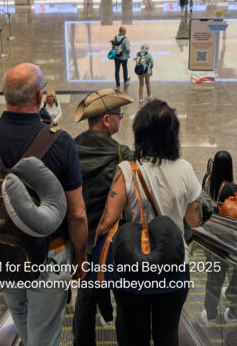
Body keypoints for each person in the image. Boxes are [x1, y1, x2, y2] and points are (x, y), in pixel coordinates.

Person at [0, 63, 88, 346]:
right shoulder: (60, 142)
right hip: (49, 255)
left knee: (22, 317)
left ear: (5, 96)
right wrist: (80, 257)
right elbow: (77, 213)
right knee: (44, 337)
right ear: (40, 97)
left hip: (0, 250)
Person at [96, 100, 202, 346]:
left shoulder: (126, 169)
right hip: (173, 267)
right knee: (167, 334)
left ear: (139, 133)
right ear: (173, 134)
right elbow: (194, 221)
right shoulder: (185, 169)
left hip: (133, 265)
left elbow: (107, 221)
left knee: (133, 335)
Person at [72, 88, 134, 346]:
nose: (121, 119)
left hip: (79, 239)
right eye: (118, 115)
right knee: (123, 296)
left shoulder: (70, 149)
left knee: (84, 299)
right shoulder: (122, 155)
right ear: (106, 119)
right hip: (112, 239)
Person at [200, 151, 234, 325]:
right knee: (223, 273)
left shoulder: (207, 179)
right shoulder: (228, 187)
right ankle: (216, 312)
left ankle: (209, 311)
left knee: (212, 274)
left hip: (209, 232)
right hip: (224, 237)